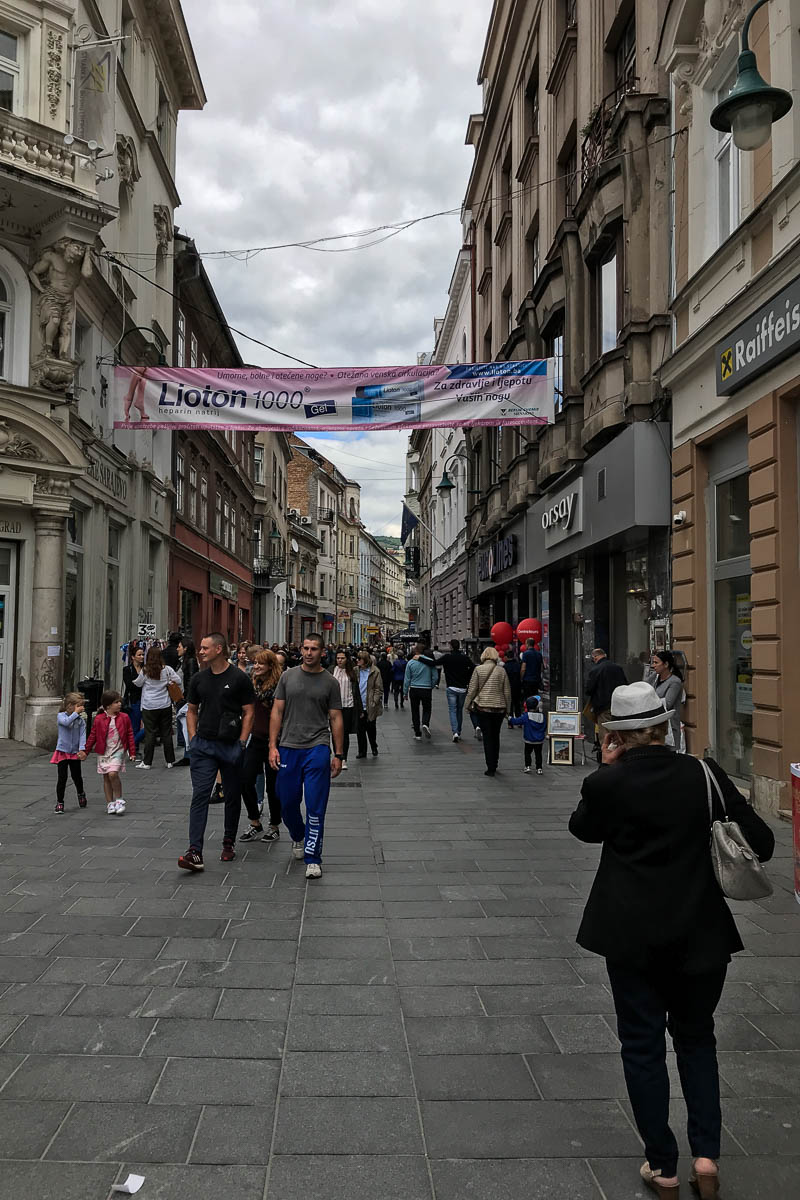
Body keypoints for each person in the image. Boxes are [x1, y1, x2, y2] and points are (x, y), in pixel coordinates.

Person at [568, 681, 775, 1200]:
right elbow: (763, 844)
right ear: (665, 725)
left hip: (630, 936)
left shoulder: (607, 784)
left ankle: (662, 1166)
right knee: (698, 1041)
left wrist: (607, 769)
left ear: (615, 733)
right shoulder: (704, 774)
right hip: (700, 933)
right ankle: (705, 1158)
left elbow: (583, 830)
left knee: (641, 1047)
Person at [269, 633, 344, 880]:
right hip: (289, 746)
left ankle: (313, 858)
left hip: (318, 747)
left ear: (323, 652)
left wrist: (339, 754)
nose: (309, 652)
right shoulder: (287, 676)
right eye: (306, 648)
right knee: (287, 801)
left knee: (315, 805)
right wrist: (272, 745)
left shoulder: (330, 682)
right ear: (301, 649)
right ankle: (298, 835)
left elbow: (335, 718)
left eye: (314, 649)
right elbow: (277, 711)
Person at [178, 633, 255, 872]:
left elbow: (249, 711)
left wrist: (242, 742)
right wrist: (193, 738)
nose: (200, 651)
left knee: (232, 795)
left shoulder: (239, 678)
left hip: (230, 745)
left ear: (219, 649)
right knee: (200, 795)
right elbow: (191, 709)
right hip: (203, 746)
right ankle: (194, 851)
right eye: (200, 648)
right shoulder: (199, 679)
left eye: (204, 647)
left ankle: (228, 841)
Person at [239, 649, 283, 844]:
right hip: (256, 739)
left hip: (276, 741)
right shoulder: (252, 683)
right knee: (245, 779)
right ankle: (255, 821)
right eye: (255, 663)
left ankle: (274, 825)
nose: (256, 666)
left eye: (261, 664)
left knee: (273, 787)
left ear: (270, 666)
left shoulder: (279, 687)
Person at [80, 690, 135, 814]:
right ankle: (110, 803)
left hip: (118, 750)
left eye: (119, 701)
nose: (120, 704)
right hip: (104, 751)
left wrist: (132, 751)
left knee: (113, 774)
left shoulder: (124, 717)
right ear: (108, 705)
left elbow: (130, 734)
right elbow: (92, 736)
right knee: (106, 777)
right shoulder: (99, 719)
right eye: (116, 702)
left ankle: (119, 799)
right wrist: (85, 751)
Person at [465, 646, 511, 776]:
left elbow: (472, 689)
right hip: (499, 708)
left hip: (483, 707)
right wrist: (508, 709)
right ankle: (495, 763)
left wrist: (467, 705)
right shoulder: (501, 671)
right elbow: (507, 691)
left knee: (487, 737)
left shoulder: (478, 669)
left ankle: (490, 767)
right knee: (496, 736)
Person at [133, 648, 181, 770]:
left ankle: (147, 762)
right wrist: (168, 682)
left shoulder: (145, 670)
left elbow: (138, 684)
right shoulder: (167, 669)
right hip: (164, 705)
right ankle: (170, 761)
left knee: (150, 733)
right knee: (166, 733)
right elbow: (179, 681)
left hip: (149, 705)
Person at [51, 692, 88, 813]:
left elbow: (82, 735)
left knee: (76, 776)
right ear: (70, 706)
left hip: (74, 752)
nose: (81, 708)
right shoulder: (61, 716)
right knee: (62, 778)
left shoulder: (80, 721)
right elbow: (66, 723)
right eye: (79, 706)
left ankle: (81, 793)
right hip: (63, 751)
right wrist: (75, 714)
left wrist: (82, 749)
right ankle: (60, 802)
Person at [438, 639, 476, 742]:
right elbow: (473, 667)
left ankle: (455, 732)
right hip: (462, 688)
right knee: (459, 710)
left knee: (452, 710)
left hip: (451, 688)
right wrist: (467, 677)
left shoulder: (447, 657)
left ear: (450, 646)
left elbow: (434, 663)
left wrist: (420, 658)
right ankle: (458, 731)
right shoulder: (465, 658)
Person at [403, 642, 439, 740]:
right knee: (427, 708)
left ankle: (417, 733)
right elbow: (435, 677)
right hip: (426, 689)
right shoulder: (430, 661)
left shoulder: (410, 662)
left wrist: (405, 692)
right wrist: (431, 685)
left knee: (415, 711)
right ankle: (425, 723)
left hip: (414, 689)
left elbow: (407, 679)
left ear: (415, 651)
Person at [651, 650, 685, 752]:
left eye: (656, 663)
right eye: (653, 662)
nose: (653, 666)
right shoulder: (655, 679)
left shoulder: (675, 682)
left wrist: (649, 702)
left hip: (669, 727)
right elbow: (644, 687)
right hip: (656, 727)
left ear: (665, 664)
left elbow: (668, 703)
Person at [332, 649, 360, 769]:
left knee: (345, 734)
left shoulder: (352, 672)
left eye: (342, 658)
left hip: (348, 706)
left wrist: (359, 709)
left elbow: (356, 691)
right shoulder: (331, 671)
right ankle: (337, 756)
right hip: (334, 707)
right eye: (338, 658)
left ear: (347, 659)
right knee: (334, 733)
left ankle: (344, 759)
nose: (340, 660)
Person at [585, 648, 628, 722]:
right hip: (618, 706)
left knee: (605, 731)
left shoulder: (595, 670)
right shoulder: (618, 668)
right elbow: (625, 685)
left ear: (595, 657)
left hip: (603, 708)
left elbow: (589, 689)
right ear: (605, 655)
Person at [508, 694, 546, 774]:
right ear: (537, 706)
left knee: (527, 753)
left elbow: (516, 721)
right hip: (539, 740)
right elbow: (544, 726)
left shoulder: (526, 716)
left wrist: (510, 718)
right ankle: (539, 768)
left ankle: (527, 766)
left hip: (529, 739)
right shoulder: (542, 716)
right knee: (538, 754)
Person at [356, 648, 383, 758]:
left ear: (365, 660)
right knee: (360, 730)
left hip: (370, 704)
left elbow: (378, 688)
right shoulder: (355, 670)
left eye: (359, 659)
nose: (357, 660)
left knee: (371, 728)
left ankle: (373, 746)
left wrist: (374, 702)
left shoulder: (374, 671)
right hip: (359, 705)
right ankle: (362, 751)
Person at [122, 645, 146, 756]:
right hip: (134, 700)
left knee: (149, 726)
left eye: (142, 654)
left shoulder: (146, 669)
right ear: (133, 657)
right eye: (139, 655)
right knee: (135, 726)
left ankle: (130, 745)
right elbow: (129, 685)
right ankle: (133, 749)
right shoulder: (127, 669)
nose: (142, 656)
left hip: (146, 699)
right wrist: (141, 684)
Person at [502, 648, 523, 717]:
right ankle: (519, 719)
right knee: (517, 703)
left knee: (509, 704)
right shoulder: (518, 665)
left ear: (506, 657)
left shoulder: (505, 667)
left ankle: (510, 722)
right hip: (517, 686)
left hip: (508, 687)